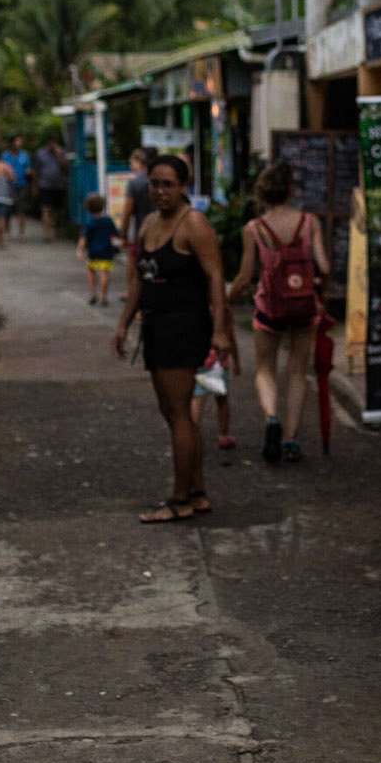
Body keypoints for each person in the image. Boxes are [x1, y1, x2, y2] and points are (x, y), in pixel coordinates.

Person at [112, 154, 232, 523]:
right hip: (155, 327)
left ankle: (180, 500)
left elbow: (216, 277)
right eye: (154, 183)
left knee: (179, 411)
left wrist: (220, 330)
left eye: (168, 184)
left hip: (184, 327)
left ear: (183, 187)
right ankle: (196, 492)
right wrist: (124, 323)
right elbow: (139, 279)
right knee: (172, 412)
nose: (160, 191)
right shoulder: (149, 223)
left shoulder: (193, 223)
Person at [228, 160, 328, 463]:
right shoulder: (309, 222)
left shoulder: (254, 229)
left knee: (265, 370)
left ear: (262, 193)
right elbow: (324, 267)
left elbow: (245, 276)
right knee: (297, 372)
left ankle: (272, 418)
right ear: (291, 190)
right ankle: (290, 440)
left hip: (269, 306)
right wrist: (315, 282)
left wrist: (226, 299)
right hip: (304, 305)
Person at [191, 338, 239, 457]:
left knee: (197, 399)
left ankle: (192, 439)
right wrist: (237, 362)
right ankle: (224, 436)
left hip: (198, 357)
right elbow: (229, 337)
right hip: (218, 360)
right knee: (222, 399)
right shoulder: (220, 324)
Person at [78, 191, 120, 306]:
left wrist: (80, 250)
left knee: (91, 271)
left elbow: (83, 238)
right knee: (104, 273)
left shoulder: (90, 223)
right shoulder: (108, 220)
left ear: (88, 208)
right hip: (107, 251)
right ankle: (104, 297)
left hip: (93, 252)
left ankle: (93, 294)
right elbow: (114, 235)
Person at [119, 147, 153, 277]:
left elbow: (128, 210)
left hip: (140, 230)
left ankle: (134, 287)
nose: (130, 166)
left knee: (134, 264)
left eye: (132, 162)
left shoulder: (134, 182)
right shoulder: (155, 179)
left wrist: (123, 234)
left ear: (139, 162)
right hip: (159, 230)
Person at [34, 135, 67, 239]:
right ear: (48, 143)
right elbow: (36, 170)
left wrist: (59, 155)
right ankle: (47, 233)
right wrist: (35, 186)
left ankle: (57, 230)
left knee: (58, 211)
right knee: (45, 209)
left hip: (58, 186)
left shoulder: (61, 152)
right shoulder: (41, 154)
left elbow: (66, 167)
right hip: (44, 185)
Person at [2, 133, 31, 240]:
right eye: (17, 141)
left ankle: (21, 232)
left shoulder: (24, 155)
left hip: (22, 185)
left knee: (21, 209)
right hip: (9, 185)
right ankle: (7, 230)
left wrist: (28, 172)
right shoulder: (5, 155)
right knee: (8, 209)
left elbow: (28, 168)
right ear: (12, 143)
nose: (19, 143)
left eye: (20, 141)